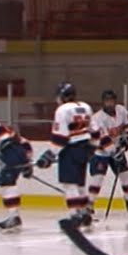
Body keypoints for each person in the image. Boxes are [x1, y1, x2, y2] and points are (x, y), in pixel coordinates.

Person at [35, 82, 96, 232]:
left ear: (62, 96)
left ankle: (75, 216)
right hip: (85, 148)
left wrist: (49, 155)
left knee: (70, 185)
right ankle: (85, 214)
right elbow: (95, 131)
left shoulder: (62, 110)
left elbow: (60, 137)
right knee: (80, 184)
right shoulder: (86, 106)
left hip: (70, 149)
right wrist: (93, 147)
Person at [88, 89, 128, 217]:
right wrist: (114, 151)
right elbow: (103, 139)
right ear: (103, 102)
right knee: (98, 179)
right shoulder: (97, 118)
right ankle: (88, 205)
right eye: (107, 101)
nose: (109, 104)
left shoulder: (121, 110)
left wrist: (127, 135)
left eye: (111, 101)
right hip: (101, 152)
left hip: (118, 149)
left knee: (125, 177)